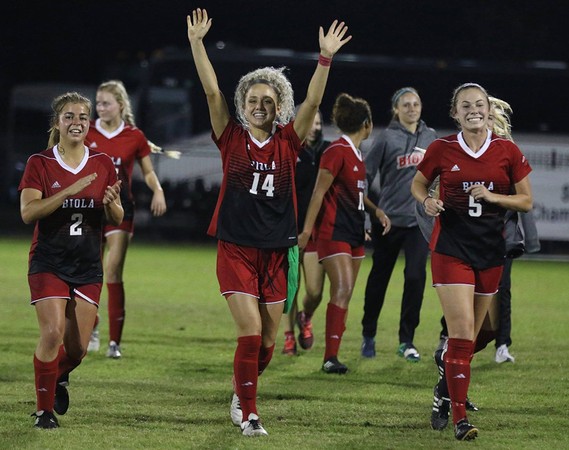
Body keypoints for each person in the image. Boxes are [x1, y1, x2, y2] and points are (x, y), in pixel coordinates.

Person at [186, 8, 352, 436]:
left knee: (267, 343)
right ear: (243, 106)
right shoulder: (230, 137)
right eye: (252, 100)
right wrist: (197, 44)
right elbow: (210, 93)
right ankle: (251, 414)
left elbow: (314, 101)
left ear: (279, 107)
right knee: (250, 331)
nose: (259, 106)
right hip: (236, 247)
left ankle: (242, 391)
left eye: (267, 101)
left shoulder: (288, 140)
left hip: (278, 250)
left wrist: (325, 59)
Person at [411, 83, 533, 441]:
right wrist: (426, 202)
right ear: (455, 113)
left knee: (478, 336)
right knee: (462, 335)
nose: (473, 110)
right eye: (466, 106)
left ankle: (443, 389)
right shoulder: (442, 148)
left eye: (479, 104)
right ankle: (461, 420)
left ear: (488, 110)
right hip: (451, 250)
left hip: (489, 252)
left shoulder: (507, 150)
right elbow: (418, 185)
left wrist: (493, 196)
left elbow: (525, 201)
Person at [19, 92, 123, 428]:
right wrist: (67, 191)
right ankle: (44, 411)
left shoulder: (103, 163)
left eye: (82, 117)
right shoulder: (41, 163)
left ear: (88, 123)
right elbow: (28, 212)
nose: (76, 122)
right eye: (69, 116)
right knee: (52, 332)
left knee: (76, 350)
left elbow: (117, 218)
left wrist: (110, 203)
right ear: (57, 123)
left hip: (87, 266)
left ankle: (57, 376)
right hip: (49, 262)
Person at [299, 93, 391, 375]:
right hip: (332, 231)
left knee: (346, 292)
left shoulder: (356, 154)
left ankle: (318, 335)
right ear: (367, 124)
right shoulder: (336, 151)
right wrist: (305, 232)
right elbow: (319, 192)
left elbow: (356, 195)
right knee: (339, 289)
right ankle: (330, 358)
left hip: (354, 232)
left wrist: (374, 211)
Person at [85, 80, 167, 358]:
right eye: (98, 103)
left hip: (121, 208)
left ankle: (114, 343)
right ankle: (92, 325)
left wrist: (158, 190)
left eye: (106, 103)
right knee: (90, 269)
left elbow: (147, 171)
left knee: (113, 270)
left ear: (120, 105)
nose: (100, 108)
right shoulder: (87, 131)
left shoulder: (134, 136)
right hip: (90, 208)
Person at [360, 87, 437, 361]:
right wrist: (368, 214)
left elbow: (438, 177)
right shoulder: (385, 138)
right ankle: (368, 334)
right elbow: (364, 178)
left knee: (416, 278)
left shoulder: (431, 138)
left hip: (419, 223)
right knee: (379, 279)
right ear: (396, 109)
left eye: (416, 103)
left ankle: (407, 340)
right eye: (406, 104)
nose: (412, 108)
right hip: (389, 222)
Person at [281, 110, 329, 355]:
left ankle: (306, 316)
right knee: (291, 289)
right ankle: (289, 337)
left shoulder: (327, 151)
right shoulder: (287, 149)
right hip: (287, 229)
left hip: (315, 232)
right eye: (311, 121)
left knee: (315, 291)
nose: (314, 127)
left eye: (318, 122)